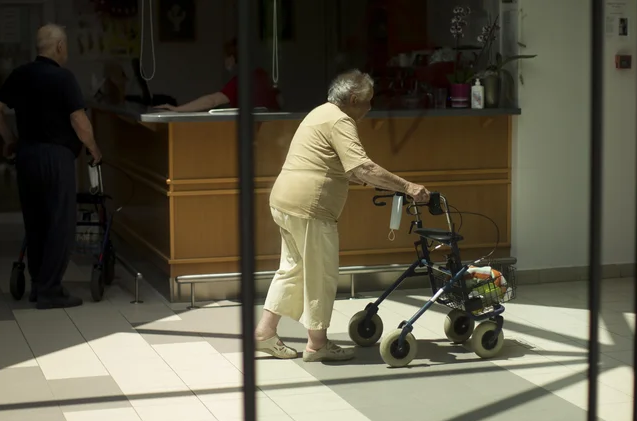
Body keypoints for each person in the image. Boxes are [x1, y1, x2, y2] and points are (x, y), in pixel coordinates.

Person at [254, 69, 430, 362]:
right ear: (352, 99)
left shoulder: (320, 113)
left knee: (293, 269)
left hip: (285, 201)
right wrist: (408, 187)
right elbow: (362, 168)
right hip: (310, 208)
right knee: (320, 274)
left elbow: (334, 164)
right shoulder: (340, 120)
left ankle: (264, 333)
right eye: (367, 101)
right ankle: (318, 344)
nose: (370, 108)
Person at [0, 24, 102, 309]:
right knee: (60, 224)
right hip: (57, 157)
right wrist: (94, 148)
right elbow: (79, 122)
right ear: (60, 46)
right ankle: (50, 290)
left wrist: (10, 139)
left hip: (27, 156)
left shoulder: (21, 74)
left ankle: (39, 285)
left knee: (36, 222)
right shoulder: (63, 78)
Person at [154, 38, 279, 112]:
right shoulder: (262, 74)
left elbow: (211, 101)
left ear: (232, 58)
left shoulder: (240, 81)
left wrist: (176, 110)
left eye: (226, 57)